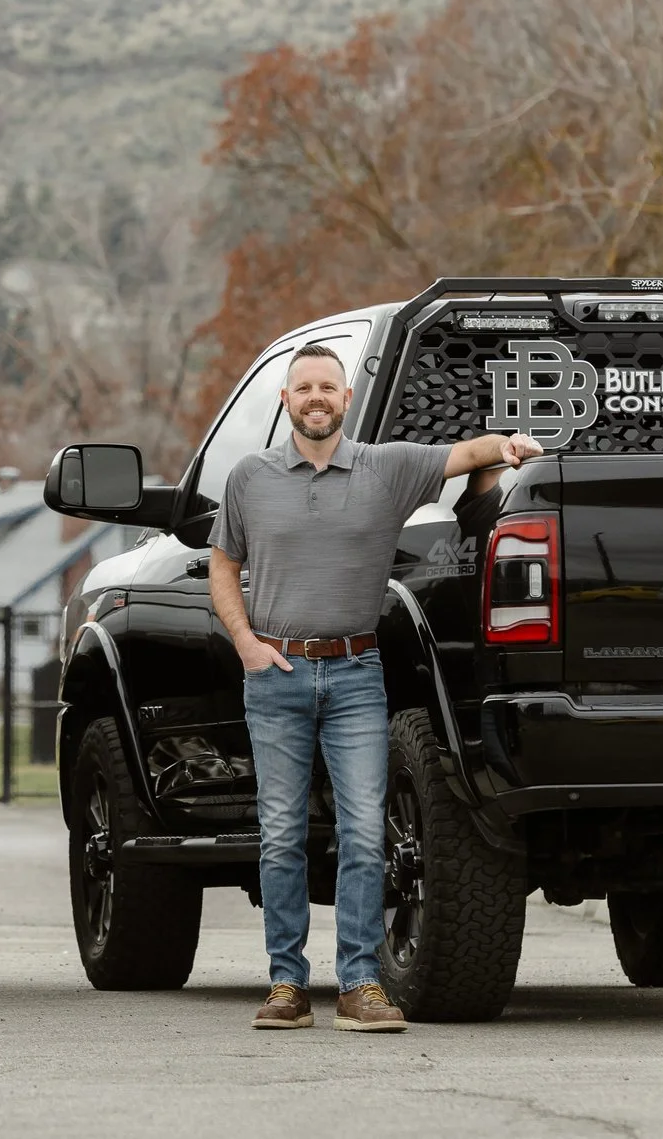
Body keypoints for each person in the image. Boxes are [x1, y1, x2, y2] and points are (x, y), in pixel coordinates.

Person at [209, 341, 541, 1032]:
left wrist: (509, 446)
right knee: (281, 835)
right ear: (286, 400)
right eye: (304, 387)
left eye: (327, 386)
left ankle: (359, 984)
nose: (316, 397)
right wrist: (245, 643)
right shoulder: (250, 477)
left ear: (346, 398)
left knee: (363, 833)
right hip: (276, 675)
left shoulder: (386, 468)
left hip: (356, 674)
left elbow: (465, 454)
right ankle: (286, 984)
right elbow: (222, 564)